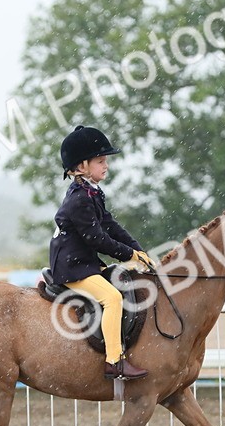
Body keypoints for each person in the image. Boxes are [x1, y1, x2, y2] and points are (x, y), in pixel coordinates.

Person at [49, 125, 157, 380]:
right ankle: (114, 361)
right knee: (112, 298)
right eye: (100, 161)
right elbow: (96, 238)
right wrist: (129, 255)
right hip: (72, 267)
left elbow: (110, 225)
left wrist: (138, 250)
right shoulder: (79, 199)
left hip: (83, 261)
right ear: (81, 166)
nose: (106, 166)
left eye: (105, 161)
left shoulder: (92, 192)